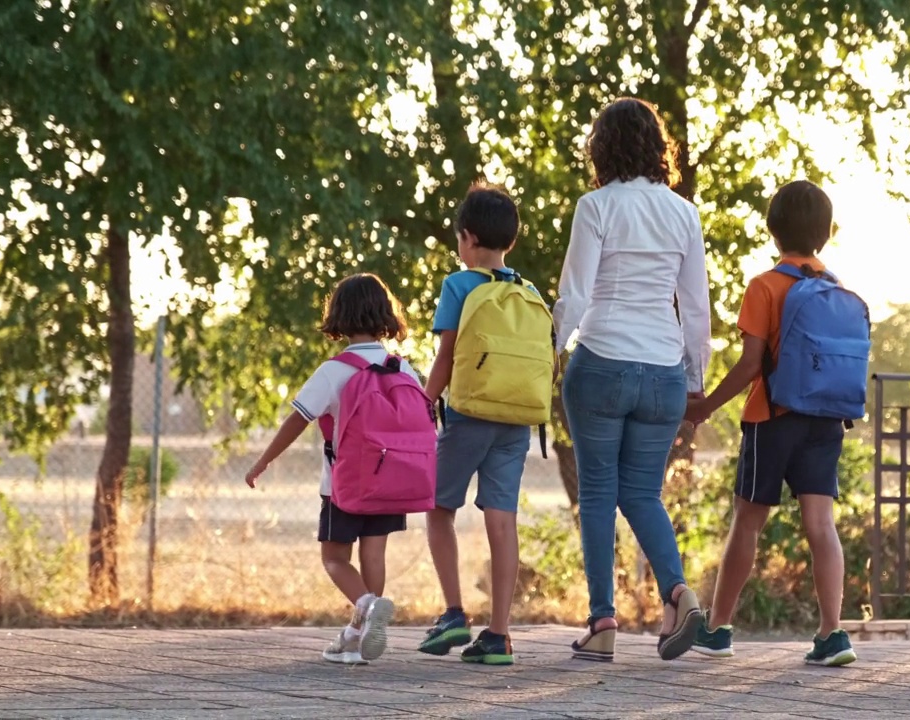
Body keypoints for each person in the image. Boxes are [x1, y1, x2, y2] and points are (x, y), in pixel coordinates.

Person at [554, 97, 712, 662]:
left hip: (601, 360)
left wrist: (553, 352)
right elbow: (695, 306)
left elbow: (575, 291)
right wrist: (696, 378)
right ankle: (679, 592)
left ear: (602, 146)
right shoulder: (683, 213)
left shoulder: (595, 205)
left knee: (599, 493)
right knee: (642, 493)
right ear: (657, 147)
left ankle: (602, 622)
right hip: (664, 370)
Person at [685, 180, 865, 666]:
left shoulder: (765, 286)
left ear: (772, 230)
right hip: (825, 419)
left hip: (773, 418)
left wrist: (705, 407)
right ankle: (832, 632)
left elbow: (750, 366)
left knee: (748, 521)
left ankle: (719, 627)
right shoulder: (837, 289)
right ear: (825, 233)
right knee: (820, 523)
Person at [245, 273, 421, 665]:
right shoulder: (403, 370)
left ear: (338, 316)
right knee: (374, 555)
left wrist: (264, 460)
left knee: (335, 558)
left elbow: (297, 419)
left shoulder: (334, 371)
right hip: (391, 482)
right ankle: (357, 637)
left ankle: (366, 607)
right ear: (385, 315)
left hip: (344, 485)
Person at [418, 184, 555, 666]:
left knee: (439, 507)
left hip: (470, 414)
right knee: (502, 521)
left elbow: (447, 354)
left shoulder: (460, 285)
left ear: (468, 238)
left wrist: (425, 401)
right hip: (516, 420)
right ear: (509, 243)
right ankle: (499, 635)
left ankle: (454, 612)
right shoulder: (529, 290)